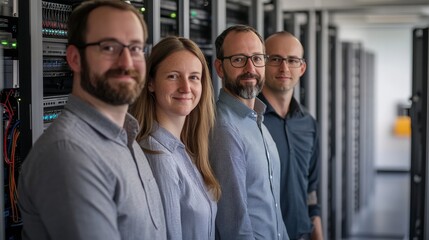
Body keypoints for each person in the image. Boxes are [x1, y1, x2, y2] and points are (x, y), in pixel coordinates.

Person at [17, 1, 166, 239]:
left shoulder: (126, 135)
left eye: (136, 48)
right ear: (75, 58)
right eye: (109, 47)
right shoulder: (68, 154)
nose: (127, 62)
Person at [129, 36, 221, 240]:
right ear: (150, 83)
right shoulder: (159, 156)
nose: (186, 88)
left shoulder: (183, 148)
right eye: (173, 76)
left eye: (194, 77)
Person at [209, 24, 289, 240]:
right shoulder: (226, 129)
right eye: (238, 59)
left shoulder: (257, 120)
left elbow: (272, 209)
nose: (250, 68)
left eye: (257, 58)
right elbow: (235, 226)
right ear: (219, 68)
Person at [259, 31, 323, 240]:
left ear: (302, 68)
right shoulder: (250, 122)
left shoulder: (309, 124)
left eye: (292, 60)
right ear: (262, 63)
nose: (284, 68)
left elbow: (311, 192)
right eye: (275, 59)